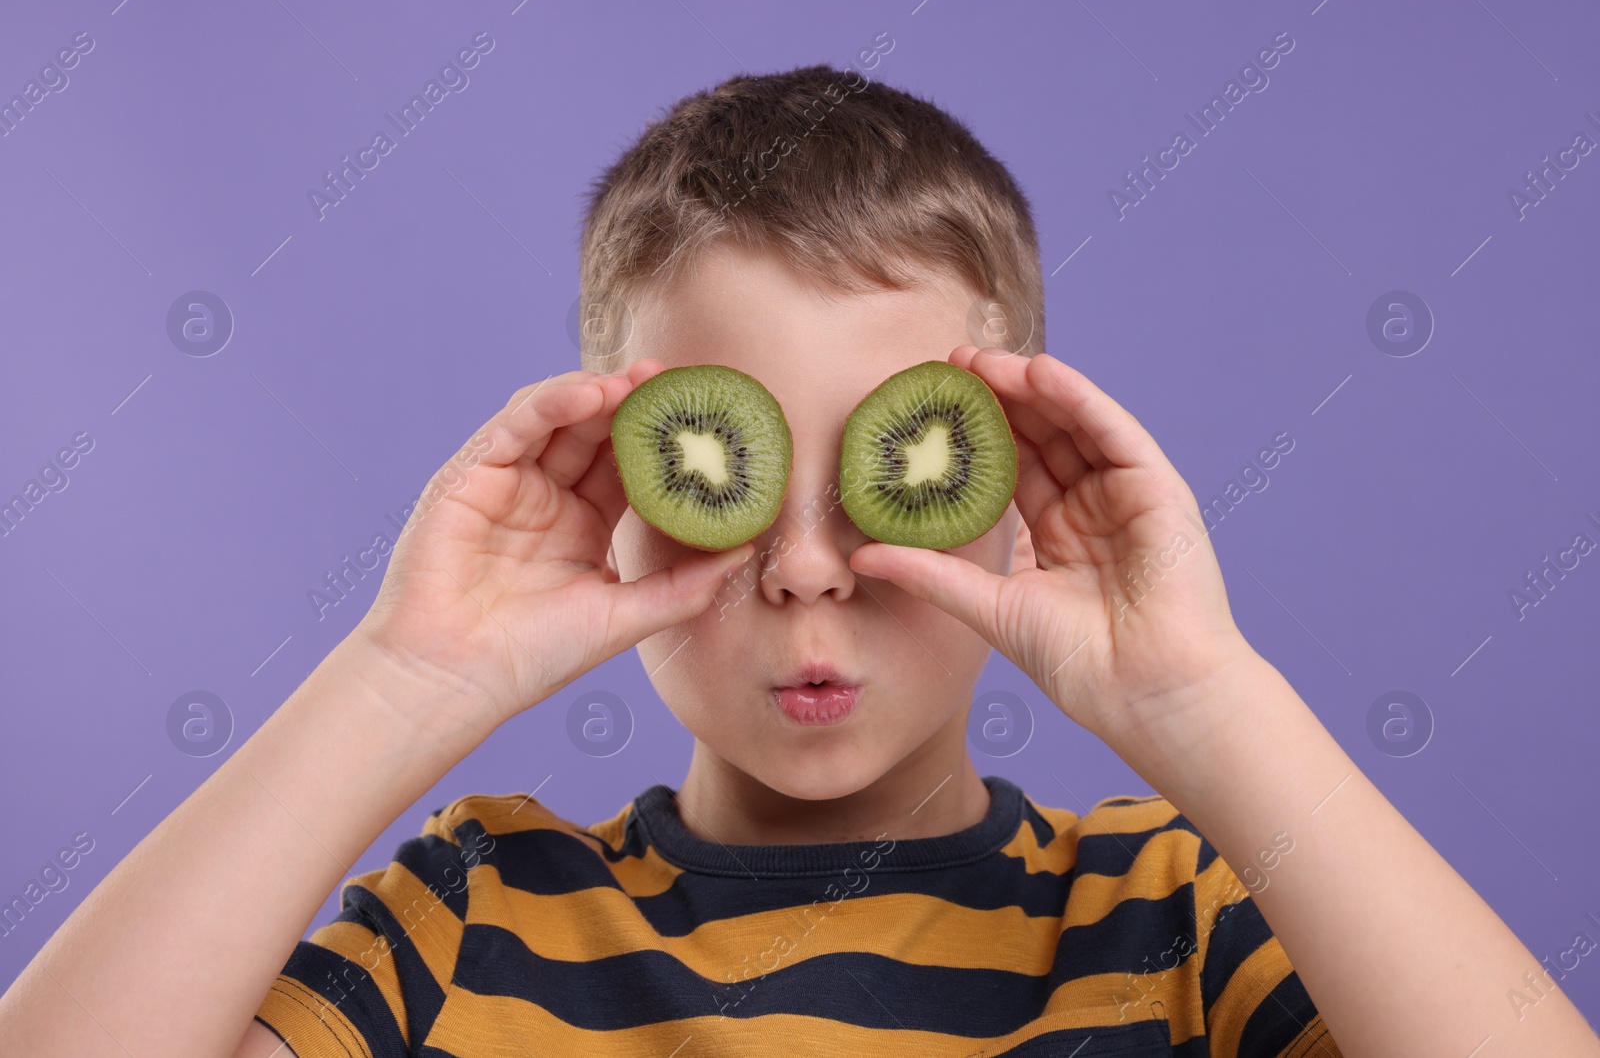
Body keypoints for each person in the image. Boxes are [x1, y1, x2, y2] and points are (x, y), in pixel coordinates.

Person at [2, 63, 1597, 1058]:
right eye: (728, 474)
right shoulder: (473, 919)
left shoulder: (1169, 924)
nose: (810, 568)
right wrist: (400, 678)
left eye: (894, 473)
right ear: (622, 483)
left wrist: (1199, 692)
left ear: (1012, 485)